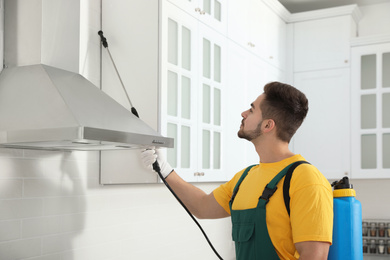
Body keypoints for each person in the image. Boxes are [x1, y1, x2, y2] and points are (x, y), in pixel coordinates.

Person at [141, 81, 333, 260]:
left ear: (268, 125)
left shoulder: (306, 179)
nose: (243, 113)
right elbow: (202, 206)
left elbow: (314, 256)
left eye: (251, 110)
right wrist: (165, 170)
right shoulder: (245, 177)